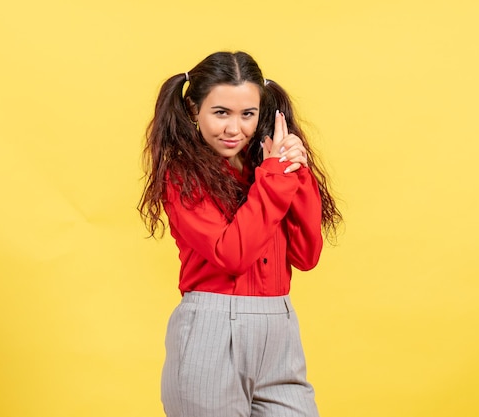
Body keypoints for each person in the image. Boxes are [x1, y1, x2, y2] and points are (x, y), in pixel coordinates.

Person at [139, 51, 341, 417]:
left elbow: (307, 255)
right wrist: (276, 176)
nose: (235, 129)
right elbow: (232, 254)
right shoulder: (182, 175)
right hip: (212, 331)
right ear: (192, 110)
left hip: (279, 331)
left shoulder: (267, 169)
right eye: (221, 113)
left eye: (247, 114)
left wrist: (297, 170)